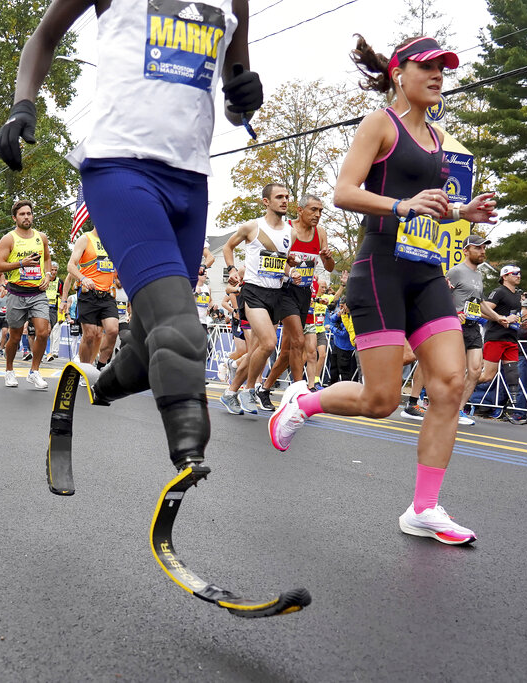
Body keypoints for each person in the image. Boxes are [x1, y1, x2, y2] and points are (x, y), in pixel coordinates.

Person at [0, 0, 264, 518]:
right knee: (181, 328)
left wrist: (246, 98)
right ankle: (189, 460)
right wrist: (22, 104)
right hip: (120, 168)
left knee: (149, 345)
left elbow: (235, 96)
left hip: (190, 182)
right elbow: (45, 35)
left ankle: (99, 383)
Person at [267, 35, 497, 545]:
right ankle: (303, 404)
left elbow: (430, 206)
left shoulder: (439, 140)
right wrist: (400, 205)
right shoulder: (381, 124)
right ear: (399, 73)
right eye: (428, 67)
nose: (438, 76)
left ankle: (425, 508)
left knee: (450, 384)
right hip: (380, 268)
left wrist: (464, 212)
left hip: (426, 270)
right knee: (381, 400)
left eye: (444, 69)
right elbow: (344, 191)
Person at [220, 183, 297, 412]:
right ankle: (249, 389)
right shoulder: (252, 226)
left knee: (256, 351)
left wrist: (290, 271)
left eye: (286, 197)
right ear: (266, 201)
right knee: (269, 343)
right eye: (279, 197)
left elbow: (279, 263)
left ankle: (231, 392)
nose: (284, 200)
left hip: (276, 294)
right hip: (253, 292)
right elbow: (227, 247)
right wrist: (233, 269)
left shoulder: (290, 232)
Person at [257, 194, 336, 405]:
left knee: (287, 350)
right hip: (284, 291)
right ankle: (299, 393)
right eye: (313, 210)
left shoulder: (320, 232)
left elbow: (329, 267)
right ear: (300, 210)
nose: (317, 215)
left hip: (304, 293)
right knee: (299, 341)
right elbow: (271, 260)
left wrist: (327, 257)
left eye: (320, 211)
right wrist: (289, 269)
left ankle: (264, 390)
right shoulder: (287, 229)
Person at [0, 200, 52, 389]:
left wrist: (49, 275)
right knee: (16, 336)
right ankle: (9, 370)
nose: (26, 217)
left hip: (37, 293)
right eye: (22, 214)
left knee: (43, 331)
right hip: (17, 293)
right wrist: (21, 264)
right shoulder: (8, 239)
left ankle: (34, 371)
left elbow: (47, 258)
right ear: (15, 218)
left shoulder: (41, 237)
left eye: (29, 213)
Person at [445, 234, 498, 426]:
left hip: (473, 326)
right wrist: (454, 314)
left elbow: (480, 302)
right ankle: (437, 403)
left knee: (475, 371)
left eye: (484, 248)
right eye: (478, 248)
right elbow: (441, 296)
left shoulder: (479, 275)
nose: (482, 251)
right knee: (453, 371)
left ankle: (458, 410)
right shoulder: (456, 272)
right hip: (455, 327)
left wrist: (497, 317)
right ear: (466, 251)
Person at [62, 226, 119, 369]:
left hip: (107, 295)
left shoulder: (113, 242)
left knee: (111, 331)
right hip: (88, 294)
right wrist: (83, 278)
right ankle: (85, 369)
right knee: (90, 335)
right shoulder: (85, 239)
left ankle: (99, 367)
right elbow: (70, 266)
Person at [478, 265, 527, 424]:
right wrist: (502, 318)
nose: (519, 275)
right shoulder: (499, 291)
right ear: (505, 276)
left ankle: (512, 411)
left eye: (520, 273)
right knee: (487, 376)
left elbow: (513, 317)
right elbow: (482, 311)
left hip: (511, 339)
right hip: (496, 338)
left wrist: (521, 324)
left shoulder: (517, 295)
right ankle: (458, 386)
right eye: (515, 273)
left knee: (513, 376)